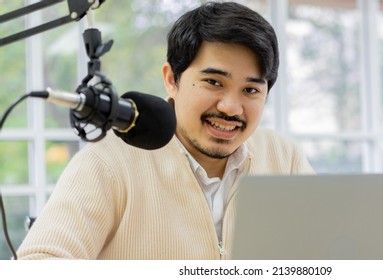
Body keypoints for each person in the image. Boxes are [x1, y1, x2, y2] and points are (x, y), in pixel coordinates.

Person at [16, 1, 314, 260]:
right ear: (172, 79)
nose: (231, 108)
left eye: (250, 89)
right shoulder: (109, 161)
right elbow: (39, 262)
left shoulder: (284, 158)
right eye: (213, 82)